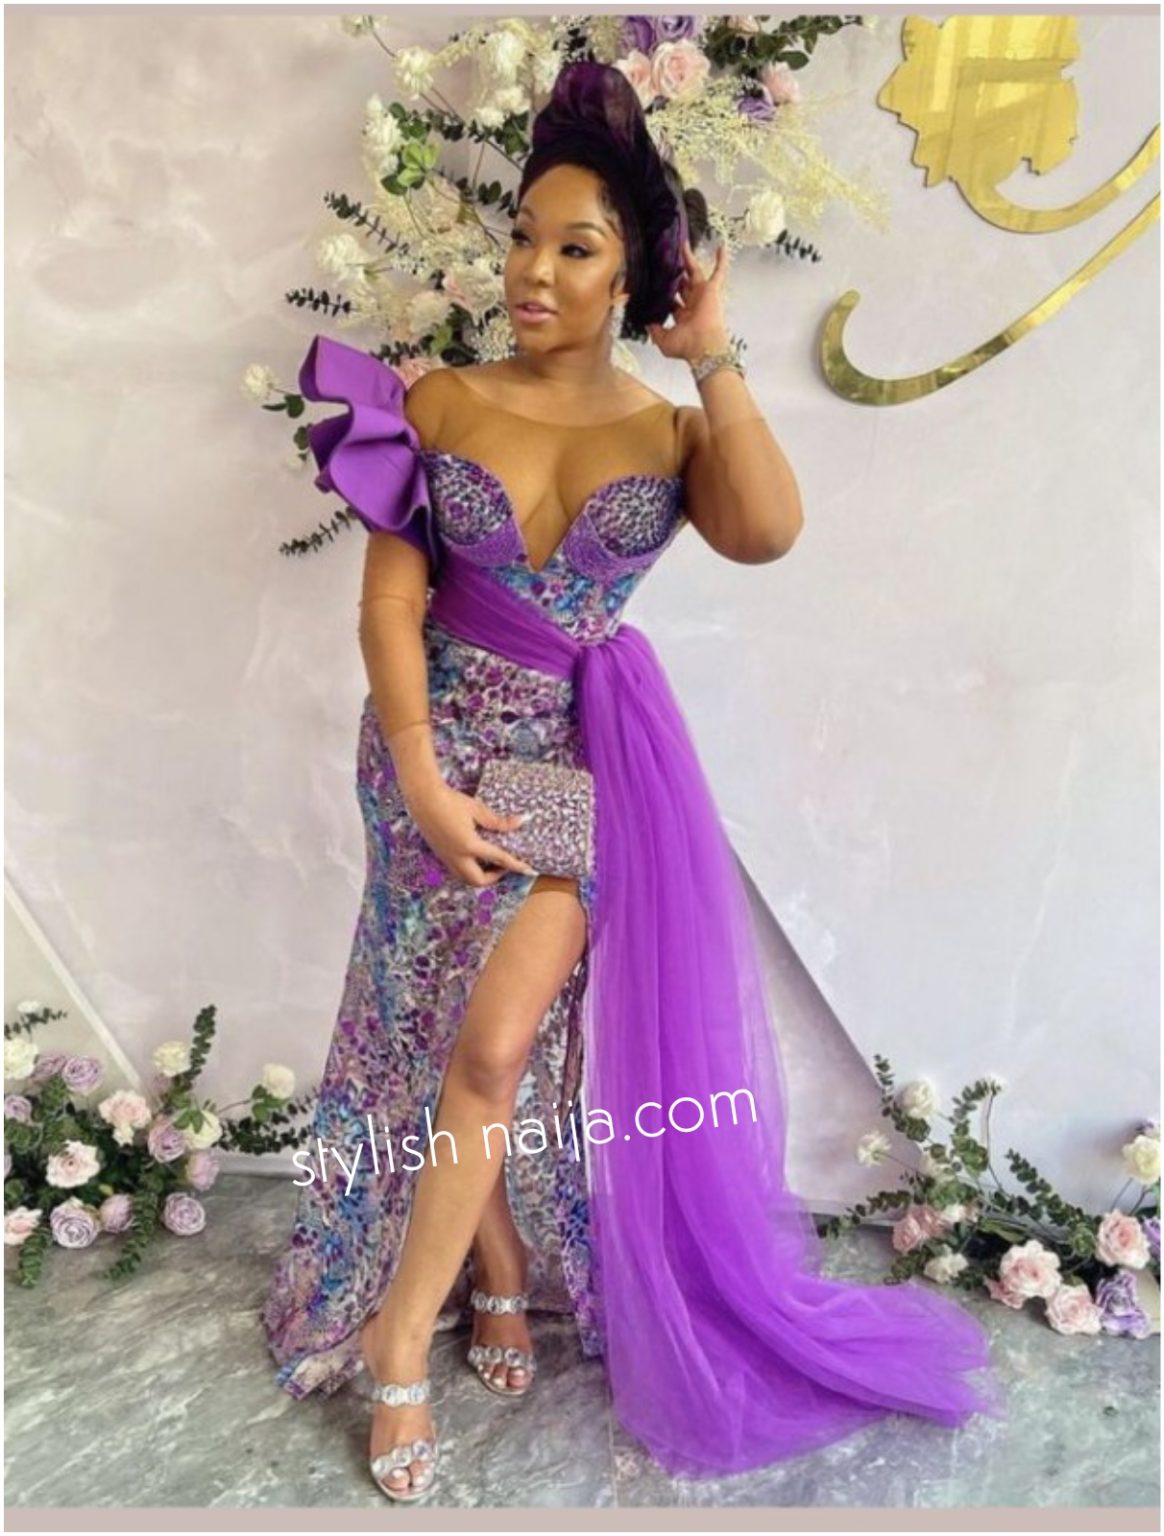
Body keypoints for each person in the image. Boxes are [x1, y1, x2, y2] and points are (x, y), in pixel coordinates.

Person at [261, 61, 1006, 1504]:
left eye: (575, 247)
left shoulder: (669, 432)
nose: (532, 270)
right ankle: (492, 1269)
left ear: (632, 276)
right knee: (437, 1032)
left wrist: (714, 351)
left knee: (496, 1045)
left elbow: (769, 530)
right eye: (522, 237)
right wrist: (418, 776)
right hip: (427, 749)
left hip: (575, 763)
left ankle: (401, 1341)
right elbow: (387, 606)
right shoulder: (437, 399)